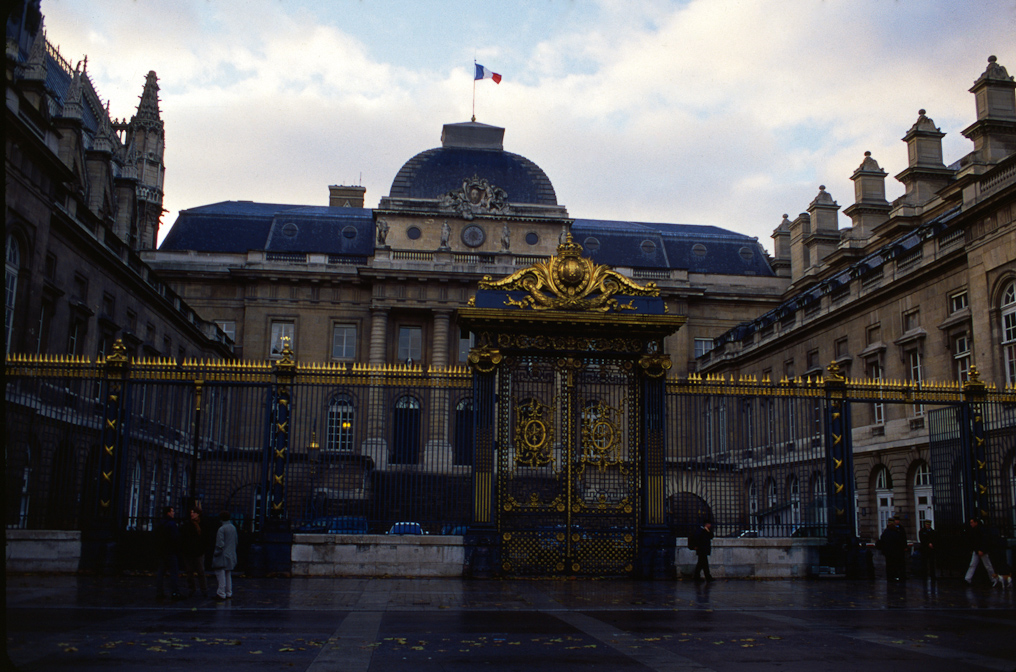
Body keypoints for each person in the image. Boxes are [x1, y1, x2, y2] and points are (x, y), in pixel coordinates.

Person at [180, 508, 208, 597]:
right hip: (189, 551)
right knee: (189, 571)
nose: (192, 514)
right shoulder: (187, 525)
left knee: (200, 571)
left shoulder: (202, 524)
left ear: (198, 514)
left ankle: (203, 589)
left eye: (194, 512)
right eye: (191, 512)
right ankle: (192, 588)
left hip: (198, 551)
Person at [155, 505, 182, 600]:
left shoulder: (160, 523)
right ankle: (174, 592)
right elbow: (175, 538)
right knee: (173, 572)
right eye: (172, 511)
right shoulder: (171, 524)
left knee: (160, 572)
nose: (174, 513)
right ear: (168, 513)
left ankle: (159, 592)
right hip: (170, 551)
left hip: (161, 551)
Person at [963, 517, 999, 586]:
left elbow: (980, 541)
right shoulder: (980, 530)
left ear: (976, 523)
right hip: (979, 550)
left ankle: (968, 579)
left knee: (976, 565)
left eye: (972, 522)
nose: (971, 524)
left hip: (979, 550)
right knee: (986, 565)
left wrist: (980, 549)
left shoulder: (977, 530)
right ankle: (993, 579)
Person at [212, 511, 238, 600]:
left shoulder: (221, 529)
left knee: (220, 574)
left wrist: (216, 553)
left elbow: (220, 544)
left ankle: (221, 593)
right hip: (231, 554)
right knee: (228, 574)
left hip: (222, 555)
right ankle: (228, 592)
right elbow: (236, 541)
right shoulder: (233, 528)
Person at [877, 516, 907, 582]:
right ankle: (894, 576)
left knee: (890, 565)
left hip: (889, 551)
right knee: (893, 565)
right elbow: (899, 540)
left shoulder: (886, 531)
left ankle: (891, 577)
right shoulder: (894, 532)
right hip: (893, 551)